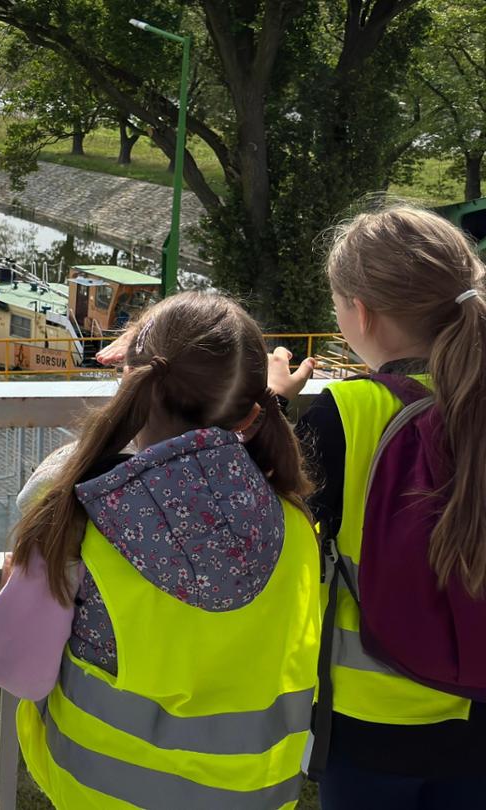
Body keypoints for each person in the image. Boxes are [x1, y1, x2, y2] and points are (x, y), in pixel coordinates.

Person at [0, 291, 320, 809]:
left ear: (134, 381)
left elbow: (12, 667)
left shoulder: (77, 511)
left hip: (100, 791)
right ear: (251, 412)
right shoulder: (295, 525)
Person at [268, 206, 486, 808]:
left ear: (360, 313)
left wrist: (272, 408)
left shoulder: (345, 412)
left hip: (373, 723)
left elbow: (257, 503)